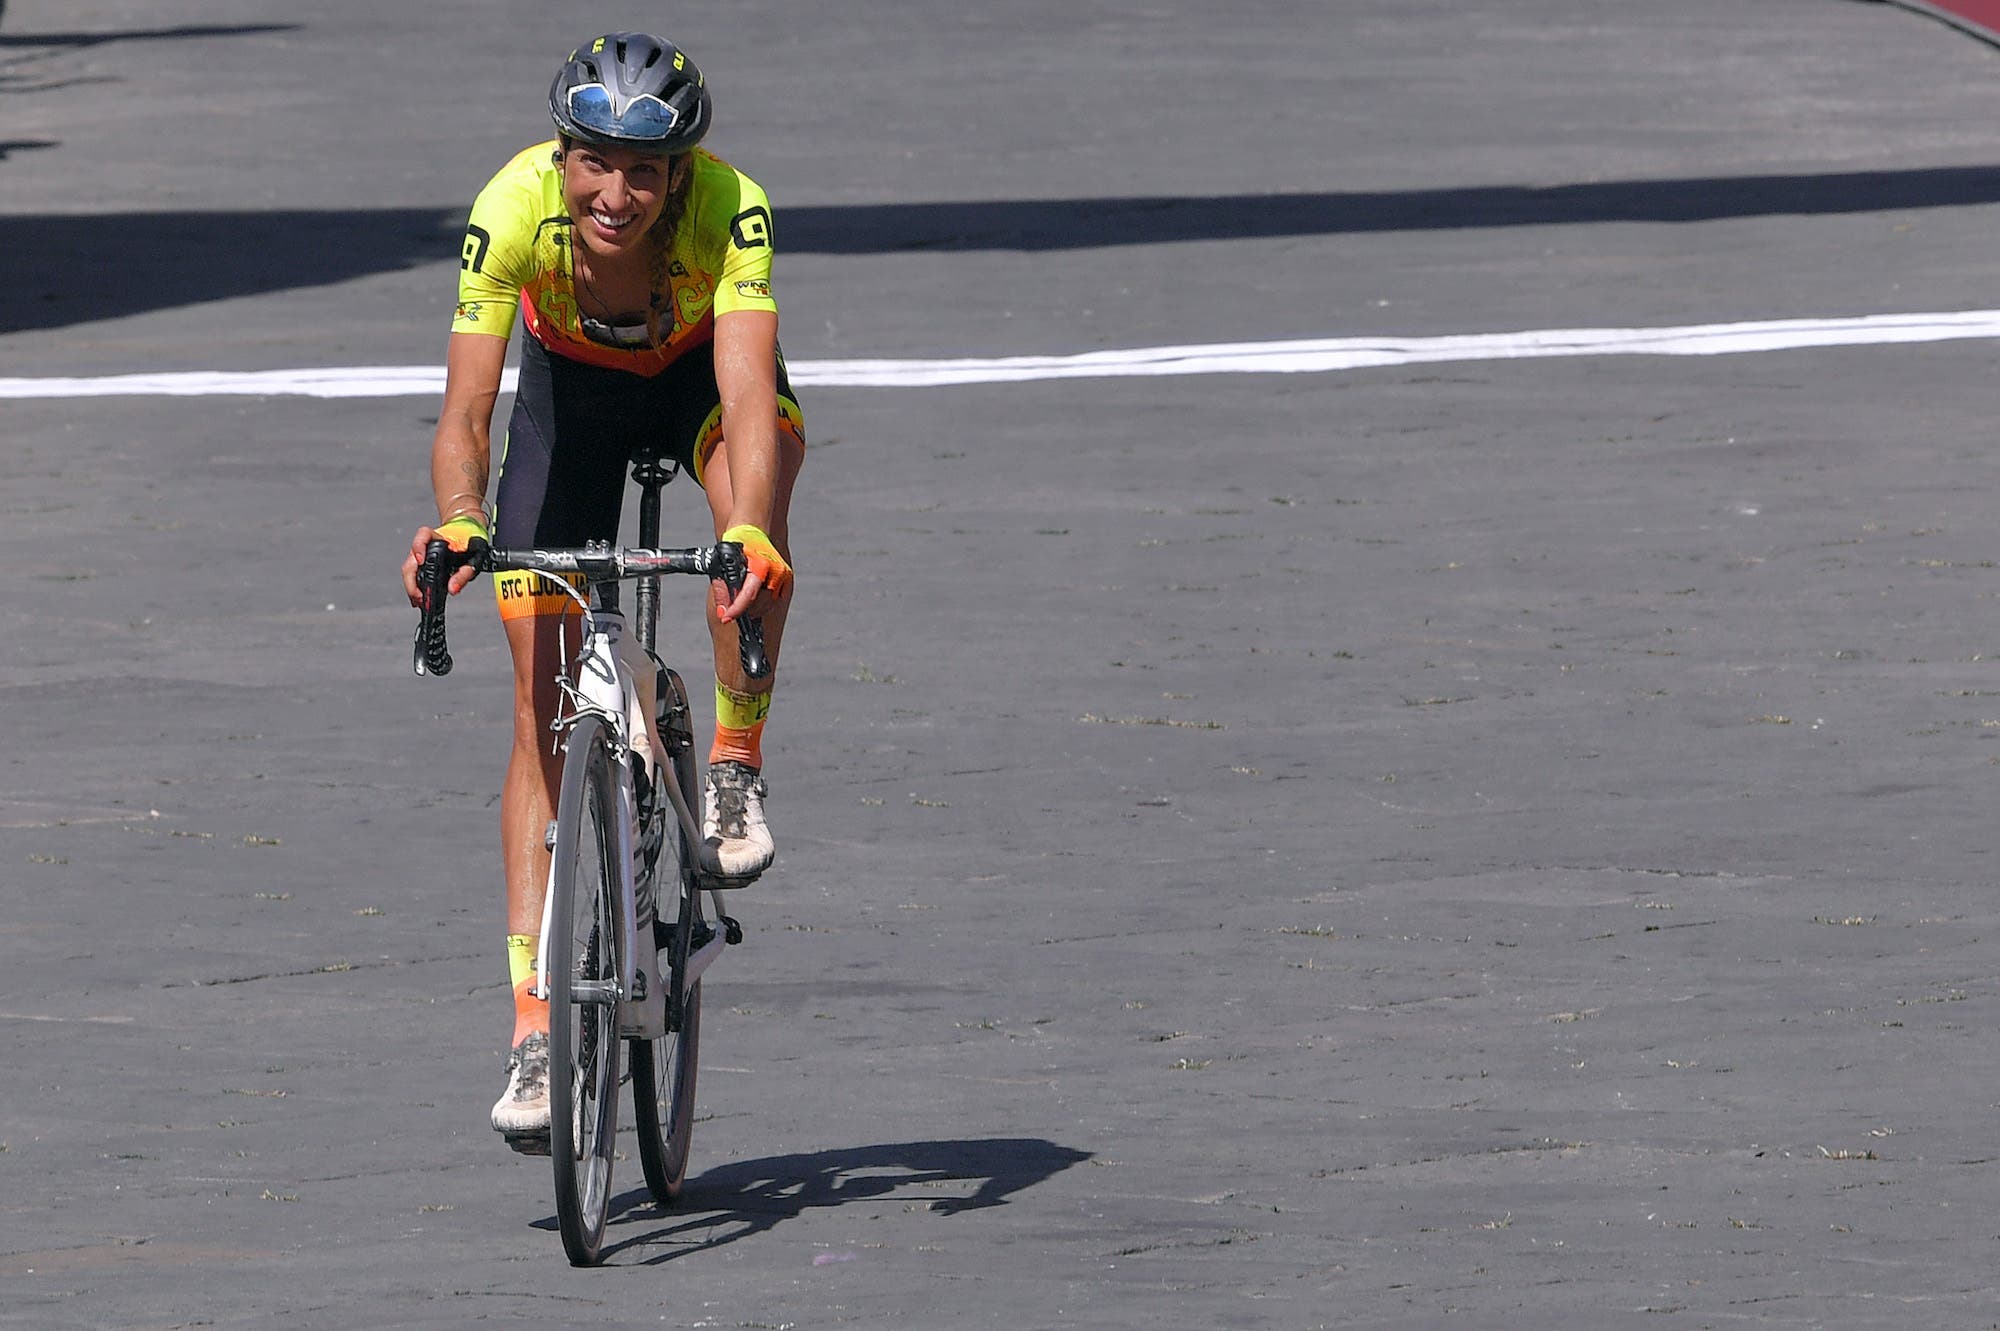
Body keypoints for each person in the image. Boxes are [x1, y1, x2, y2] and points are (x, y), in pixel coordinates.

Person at [400, 32, 806, 1152]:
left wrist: (746, 529)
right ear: (561, 155)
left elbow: (743, 384)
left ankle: (733, 762)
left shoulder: (731, 207)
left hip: (698, 380)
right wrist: (460, 518)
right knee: (538, 711)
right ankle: (535, 1027)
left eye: (641, 172)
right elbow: (466, 410)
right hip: (570, 396)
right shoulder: (510, 207)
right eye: (593, 163)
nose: (613, 196)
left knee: (756, 513)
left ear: (680, 173)